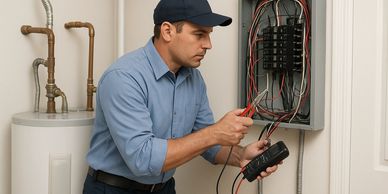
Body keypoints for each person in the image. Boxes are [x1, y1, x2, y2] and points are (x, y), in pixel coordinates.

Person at [83, 0, 279, 193]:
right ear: (167, 31)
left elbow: (208, 145)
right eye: (199, 34)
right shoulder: (124, 77)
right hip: (113, 188)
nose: (208, 45)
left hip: (164, 188)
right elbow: (142, 159)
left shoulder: (194, 79)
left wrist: (241, 155)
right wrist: (215, 133)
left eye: (209, 35)